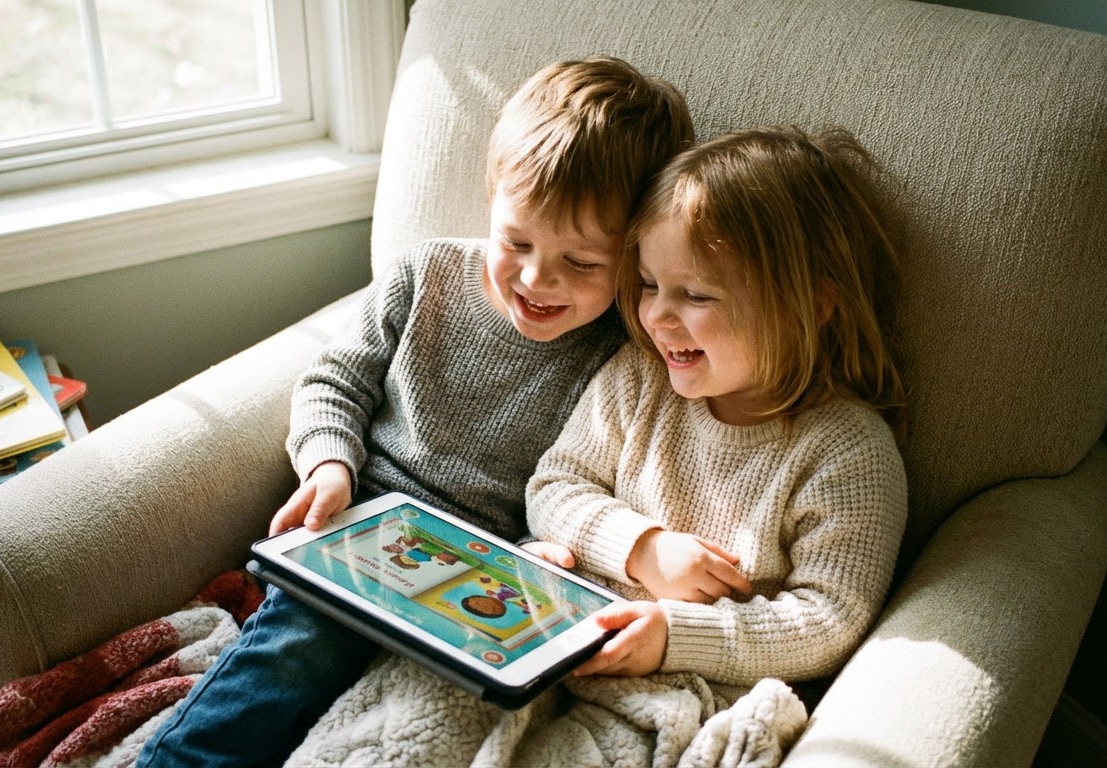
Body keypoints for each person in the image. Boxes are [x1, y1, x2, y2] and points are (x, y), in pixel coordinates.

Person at [281, 124, 911, 767]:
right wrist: (641, 549)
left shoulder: (846, 452)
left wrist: (673, 636)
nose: (655, 317)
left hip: (671, 682)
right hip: (542, 634)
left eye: (694, 295)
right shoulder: (640, 379)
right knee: (390, 740)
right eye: (646, 284)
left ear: (813, 303)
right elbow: (554, 487)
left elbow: (829, 619)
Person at [137, 55, 695, 768]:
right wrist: (329, 466)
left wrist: (551, 554)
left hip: (491, 573)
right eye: (516, 241)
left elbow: (593, 483)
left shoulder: (622, 352)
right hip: (368, 532)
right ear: (491, 199)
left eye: (581, 263)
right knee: (293, 655)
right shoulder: (426, 273)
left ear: (635, 255)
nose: (535, 278)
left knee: (444, 716)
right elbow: (334, 381)